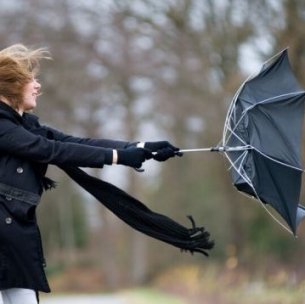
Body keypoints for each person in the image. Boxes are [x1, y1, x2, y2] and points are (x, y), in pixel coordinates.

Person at [0, 44, 187, 304]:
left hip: (13, 239)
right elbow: (51, 150)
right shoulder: (3, 127)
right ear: (10, 84)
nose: (37, 85)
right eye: (30, 79)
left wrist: (140, 148)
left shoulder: (26, 126)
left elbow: (76, 142)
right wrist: (119, 157)